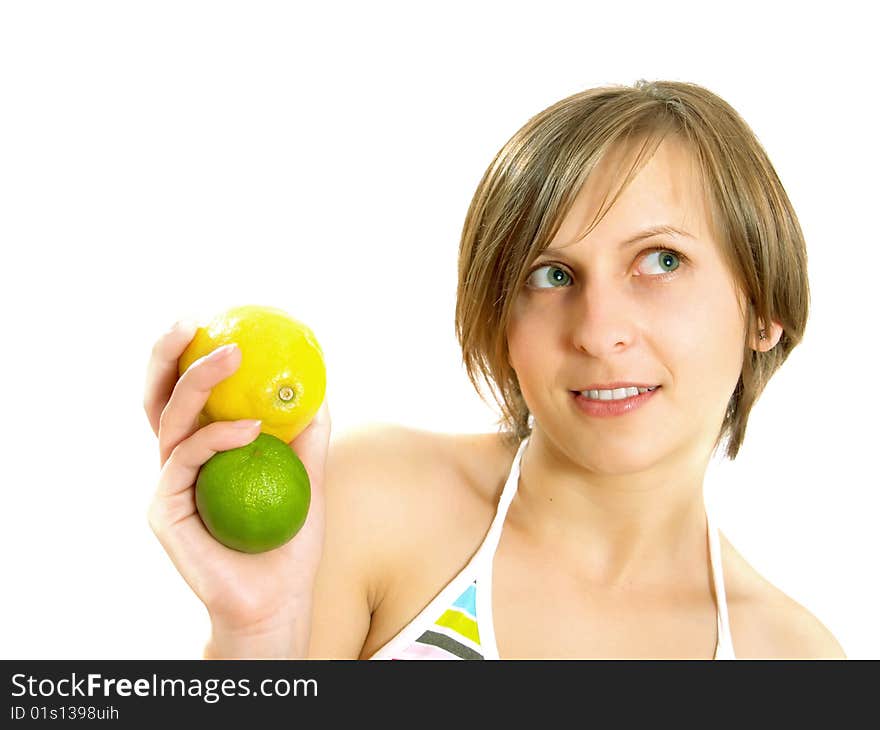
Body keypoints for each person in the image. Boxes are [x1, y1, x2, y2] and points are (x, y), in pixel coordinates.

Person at [144, 79, 846, 659]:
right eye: (550, 274)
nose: (599, 333)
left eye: (662, 261)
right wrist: (257, 634)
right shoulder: (374, 502)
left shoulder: (792, 657)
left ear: (762, 308)